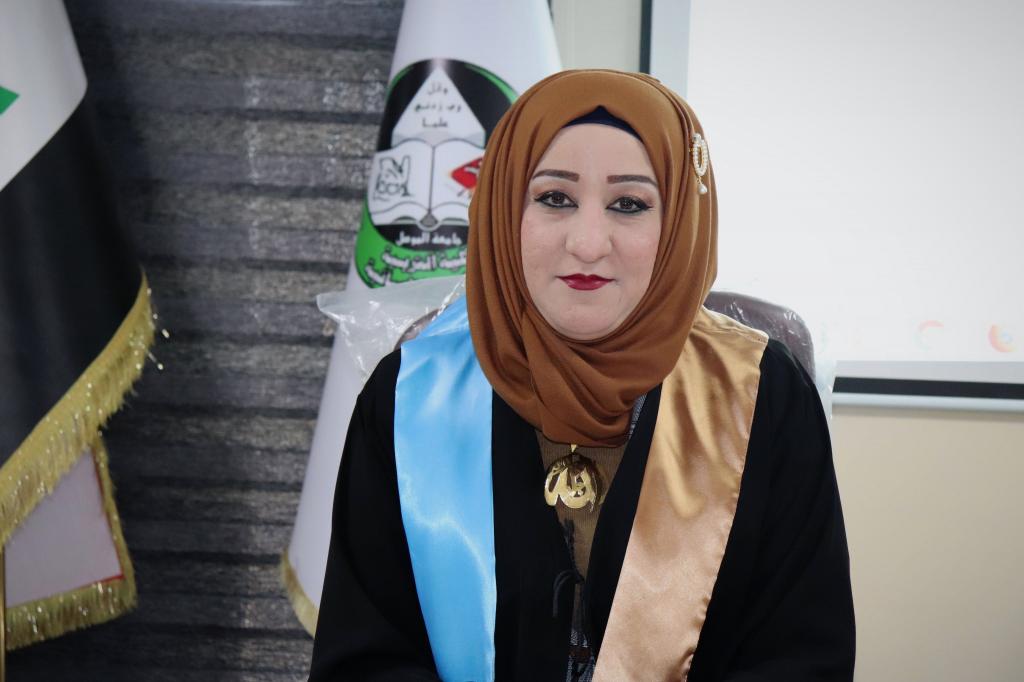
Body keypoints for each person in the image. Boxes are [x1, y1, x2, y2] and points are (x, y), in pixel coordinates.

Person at [308, 69, 855, 681]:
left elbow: (799, 656)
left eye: (629, 204)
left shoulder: (761, 396)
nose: (589, 243)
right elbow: (364, 656)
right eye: (554, 198)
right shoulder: (412, 396)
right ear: (502, 209)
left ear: (680, 222)